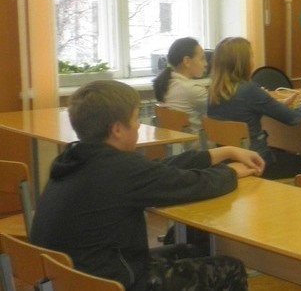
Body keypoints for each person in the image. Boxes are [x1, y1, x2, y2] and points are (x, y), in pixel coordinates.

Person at [30, 80, 264, 291]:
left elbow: (156, 169)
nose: (139, 126)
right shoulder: (121, 169)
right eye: (135, 119)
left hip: (72, 279)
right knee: (231, 268)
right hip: (113, 283)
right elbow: (194, 185)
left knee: (192, 251)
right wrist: (232, 172)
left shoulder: (75, 159)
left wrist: (223, 153)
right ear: (117, 129)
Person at [206, 36, 301, 179]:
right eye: (251, 56)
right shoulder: (249, 90)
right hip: (257, 162)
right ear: (244, 62)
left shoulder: (213, 91)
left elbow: (242, 110)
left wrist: (280, 104)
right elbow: (293, 118)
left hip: (226, 162)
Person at [152, 37, 209, 135]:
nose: (206, 64)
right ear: (187, 61)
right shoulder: (192, 90)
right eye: (202, 59)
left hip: (177, 140)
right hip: (195, 142)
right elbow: (219, 110)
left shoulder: (169, 82)